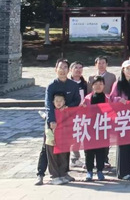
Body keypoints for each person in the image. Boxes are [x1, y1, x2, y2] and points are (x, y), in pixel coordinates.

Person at [36, 58, 81, 186]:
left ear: (69, 70)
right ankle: (41, 174)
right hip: (53, 122)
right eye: (60, 67)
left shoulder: (73, 85)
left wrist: (68, 107)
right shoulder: (51, 86)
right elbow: (48, 105)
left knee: (65, 147)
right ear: (56, 69)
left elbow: (77, 101)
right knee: (48, 147)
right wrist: (51, 120)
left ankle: (64, 173)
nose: (62, 70)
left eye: (65, 67)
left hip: (66, 122)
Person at [110, 60, 130, 180]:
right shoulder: (118, 83)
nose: (129, 71)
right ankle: (122, 172)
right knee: (123, 145)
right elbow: (112, 98)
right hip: (122, 117)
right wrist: (119, 100)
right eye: (127, 68)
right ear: (123, 70)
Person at [82, 76, 110, 181]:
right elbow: (80, 112)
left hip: (102, 128)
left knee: (101, 151)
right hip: (89, 128)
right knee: (89, 151)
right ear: (92, 85)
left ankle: (99, 170)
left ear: (104, 86)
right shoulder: (87, 99)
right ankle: (89, 171)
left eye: (101, 84)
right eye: (96, 84)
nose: (98, 86)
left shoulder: (107, 98)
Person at [45, 93, 71, 185]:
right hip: (52, 140)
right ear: (53, 102)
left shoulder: (66, 112)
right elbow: (47, 128)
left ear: (64, 102)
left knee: (63, 157)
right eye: (56, 101)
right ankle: (55, 176)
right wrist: (51, 138)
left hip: (63, 139)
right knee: (53, 158)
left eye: (61, 101)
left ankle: (62, 174)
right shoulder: (51, 114)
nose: (58, 103)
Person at [69, 61, 88, 168]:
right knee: (74, 136)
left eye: (80, 67)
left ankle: (87, 158)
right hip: (72, 114)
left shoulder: (85, 84)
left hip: (84, 114)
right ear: (71, 70)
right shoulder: (67, 83)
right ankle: (74, 158)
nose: (78, 70)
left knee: (85, 135)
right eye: (76, 67)